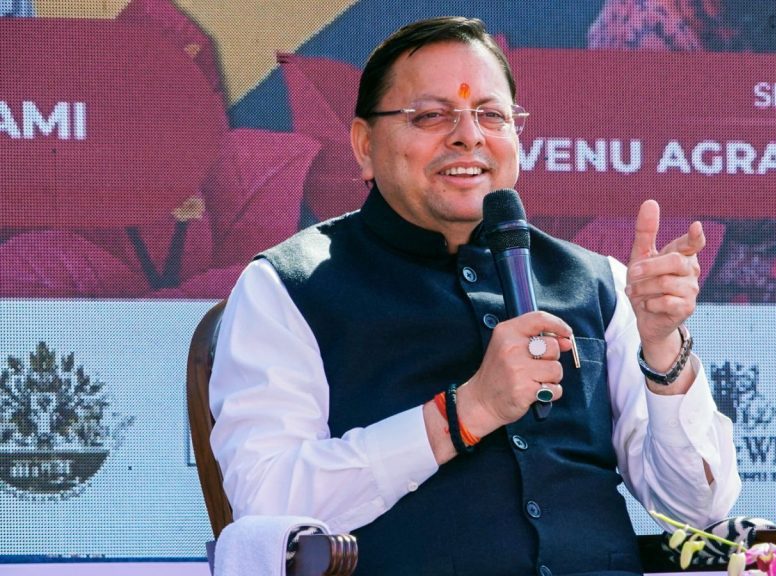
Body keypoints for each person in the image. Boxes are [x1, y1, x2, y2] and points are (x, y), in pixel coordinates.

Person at [209, 15, 739, 575]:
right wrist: (463, 413)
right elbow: (266, 500)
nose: (469, 136)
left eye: (491, 115)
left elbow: (695, 510)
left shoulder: (598, 283)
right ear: (364, 145)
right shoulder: (289, 287)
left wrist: (662, 350)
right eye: (431, 115)